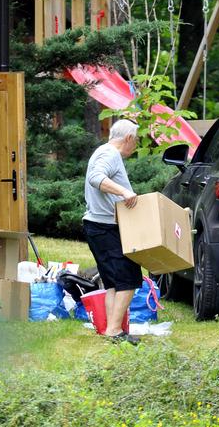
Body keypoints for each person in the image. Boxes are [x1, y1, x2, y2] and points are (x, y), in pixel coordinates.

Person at [82, 119, 141, 344]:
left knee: (114, 282)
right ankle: (114, 331)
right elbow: (96, 178)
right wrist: (124, 192)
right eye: (135, 141)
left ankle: (112, 329)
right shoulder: (110, 154)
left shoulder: (103, 151)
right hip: (104, 227)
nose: (134, 146)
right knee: (130, 277)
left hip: (99, 226)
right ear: (127, 138)